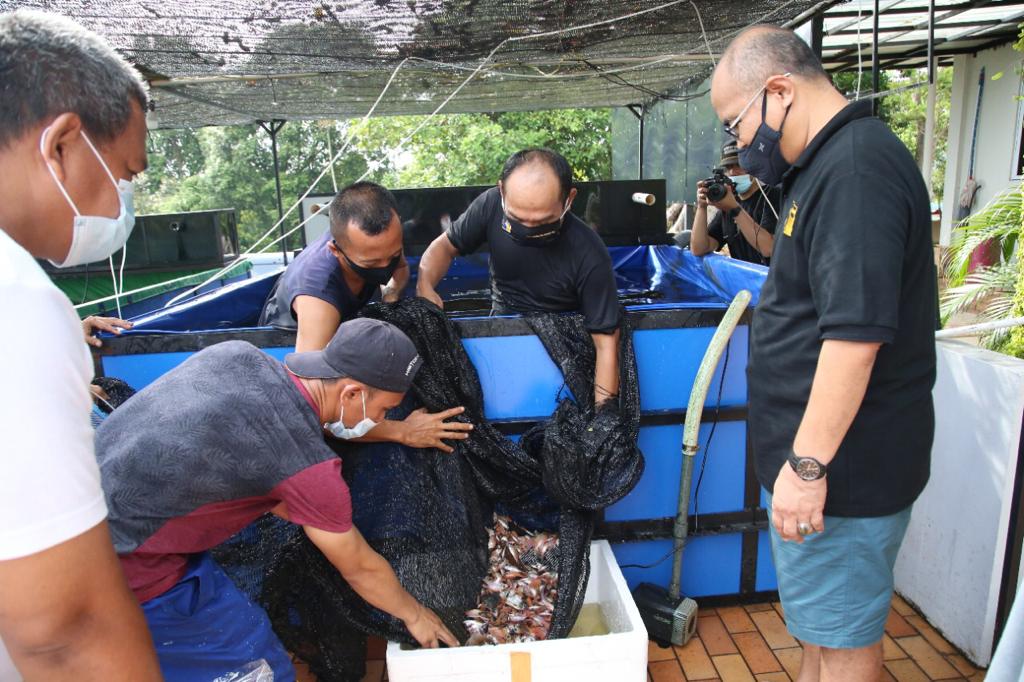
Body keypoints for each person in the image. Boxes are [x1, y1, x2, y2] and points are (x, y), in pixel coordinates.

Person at [710, 26, 937, 682]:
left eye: (735, 124)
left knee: (842, 645)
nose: (737, 145)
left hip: (843, 474)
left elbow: (855, 338)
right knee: (821, 634)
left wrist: (806, 467)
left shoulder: (856, 171)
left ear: (778, 91)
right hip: (824, 471)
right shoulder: (828, 165)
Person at [94, 318, 459, 681]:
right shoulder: (307, 467)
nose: (381, 420)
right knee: (260, 670)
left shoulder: (237, 355)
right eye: (382, 410)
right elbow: (360, 568)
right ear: (351, 394)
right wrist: (414, 615)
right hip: (127, 567)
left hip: (88, 506)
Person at [0, 10, 161, 681]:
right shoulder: (19, 302)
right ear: (64, 143)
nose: (123, 200)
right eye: (126, 173)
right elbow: (61, 629)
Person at [261, 181, 471, 452]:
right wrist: (404, 431)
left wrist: (391, 298)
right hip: (295, 334)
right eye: (371, 264)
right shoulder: (318, 298)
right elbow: (311, 406)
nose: (384, 266)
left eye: (392, 255)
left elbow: (398, 271)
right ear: (337, 251)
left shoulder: (382, 240)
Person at [417, 148, 622, 406]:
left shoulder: (589, 252)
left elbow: (605, 343)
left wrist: (603, 419)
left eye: (543, 222)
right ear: (502, 191)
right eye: (517, 219)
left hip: (563, 349)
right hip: (500, 331)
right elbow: (444, 247)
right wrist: (425, 286)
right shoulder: (490, 205)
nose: (527, 231)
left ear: (569, 199)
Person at [691, 140, 781, 265]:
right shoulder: (728, 204)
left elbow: (768, 249)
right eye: (728, 168)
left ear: (754, 166)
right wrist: (702, 207)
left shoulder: (772, 196)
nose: (733, 172)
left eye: (738, 165)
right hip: (742, 282)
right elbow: (699, 249)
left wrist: (734, 209)